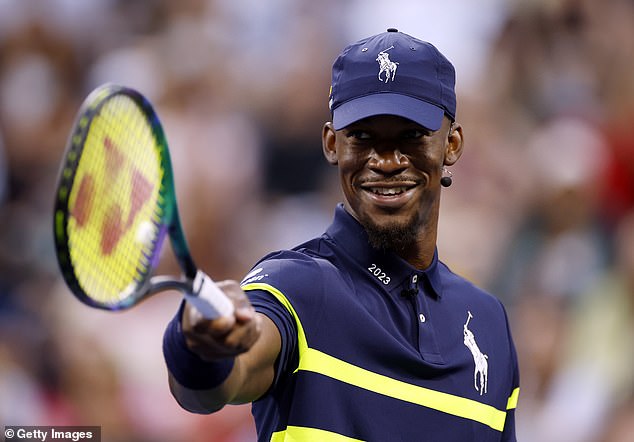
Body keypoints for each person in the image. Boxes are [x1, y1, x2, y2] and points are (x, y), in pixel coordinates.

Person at [163, 28, 520, 441]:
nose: (386, 161)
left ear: (452, 145)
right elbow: (215, 384)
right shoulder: (295, 286)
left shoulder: (490, 325)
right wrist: (201, 347)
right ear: (332, 144)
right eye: (363, 137)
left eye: (411, 135)